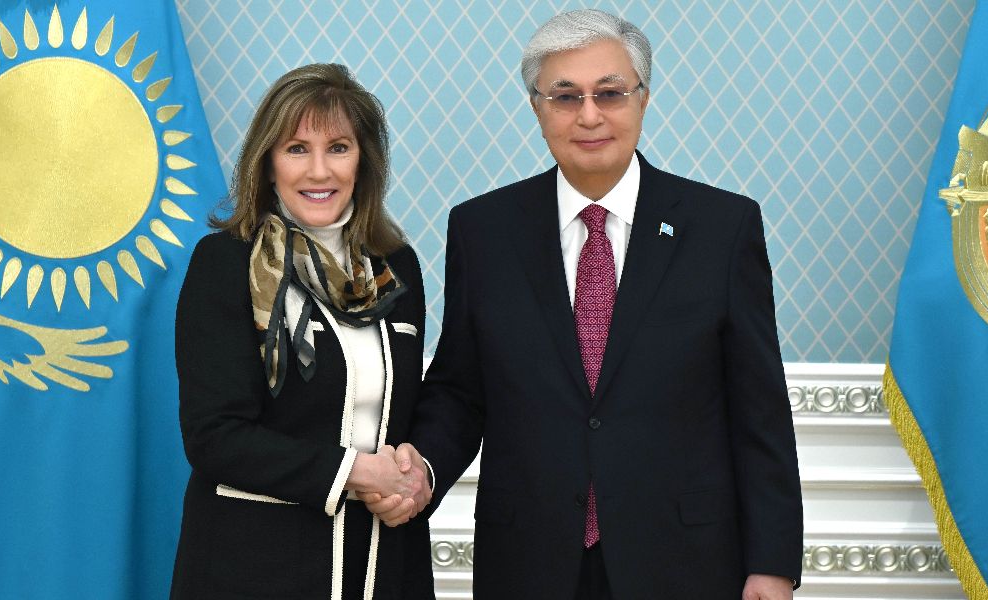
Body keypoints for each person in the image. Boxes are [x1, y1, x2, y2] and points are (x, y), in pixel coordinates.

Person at [363, 9, 803, 600]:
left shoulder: (722, 228)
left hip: (684, 561)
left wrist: (772, 563)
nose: (589, 115)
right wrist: (422, 470)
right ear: (537, 108)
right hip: (529, 560)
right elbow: (462, 391)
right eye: (566, 96)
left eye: (610, 93)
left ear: (643, 99)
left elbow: (759, 410)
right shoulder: (483, 231)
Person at [170, 63, 435, 600]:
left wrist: (416, 470)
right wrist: (354, 472)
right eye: (296, 149)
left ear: (363, 161)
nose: (319, 171)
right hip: (254, 570)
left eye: (338, 148)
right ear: (268, 164)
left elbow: (413, 411)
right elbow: (214, 436)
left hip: (384, 566)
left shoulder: (395, 267)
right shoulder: (225, 264)